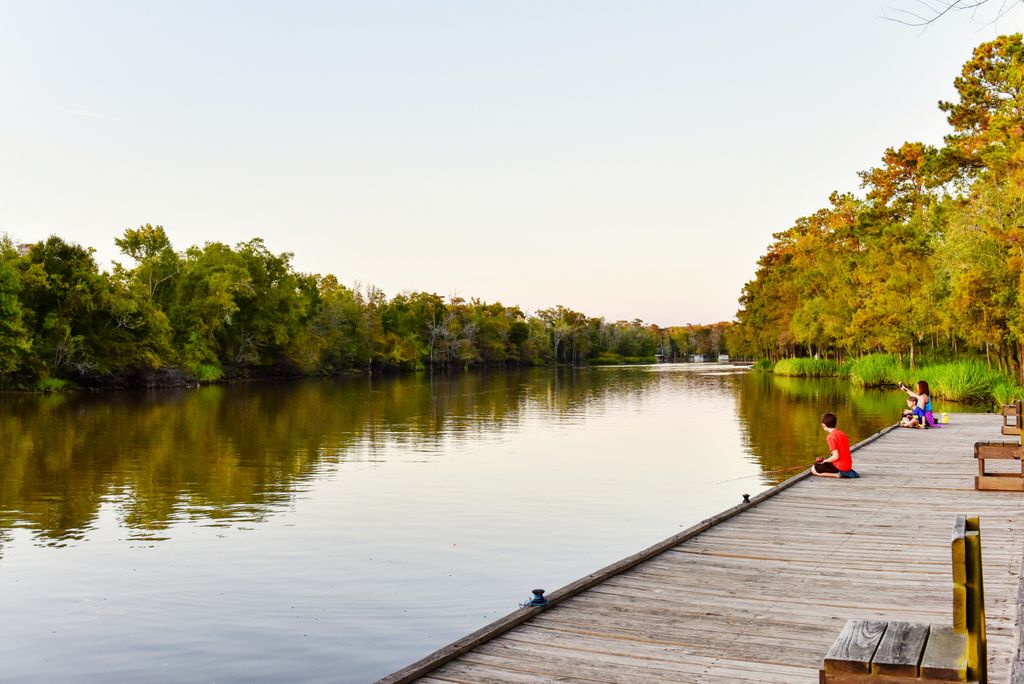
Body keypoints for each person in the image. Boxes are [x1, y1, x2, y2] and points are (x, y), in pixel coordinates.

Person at [811, 412, 860, 478]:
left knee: (813, 469)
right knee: (822, 463)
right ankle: (844, 472)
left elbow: (836, 456)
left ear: (823, 425)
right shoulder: (842, 433)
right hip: (848, 465)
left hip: (840, 466)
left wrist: (825, 461)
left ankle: (837, 475)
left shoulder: (830, 437)